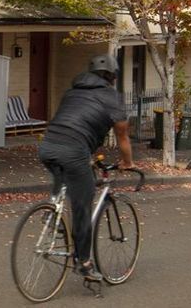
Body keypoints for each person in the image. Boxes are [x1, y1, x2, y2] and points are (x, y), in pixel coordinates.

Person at [34, 53, 135, 282]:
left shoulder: (72, 92)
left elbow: (70, 122)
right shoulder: (113, 98)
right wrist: (128, 163)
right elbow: (123, 137)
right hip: (74, 149)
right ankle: (84, 263)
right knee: (83, 203)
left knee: (65, 174)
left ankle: (53, 213)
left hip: (48, 146)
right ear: (113, 77)